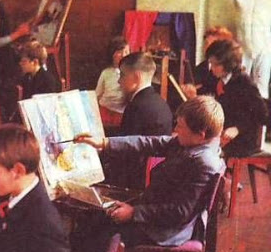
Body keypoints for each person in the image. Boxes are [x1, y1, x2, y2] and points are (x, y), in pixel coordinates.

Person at [75, 95, 226, 252]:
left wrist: (134, 213)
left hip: (170, 227)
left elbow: (179, 212)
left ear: (201, 134)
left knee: (100, 239)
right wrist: (103, 143)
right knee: (91, 223)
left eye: (180, 126)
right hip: (160, 213)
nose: (175, 130)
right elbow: (148, 142)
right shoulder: (193, 144)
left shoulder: (203, 162)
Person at [107, 52, 173, 189]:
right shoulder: (161, 102)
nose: (119, 81)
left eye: (122, 75)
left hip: (136, 182)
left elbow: (126, 149)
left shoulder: (137, 107)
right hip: (155, 178)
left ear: (136, 77)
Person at [204, 39, 268, 157]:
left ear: (227, 64)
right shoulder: (214, 78)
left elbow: (262, 115)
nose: (211, 68)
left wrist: (238, 128)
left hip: (241, 141)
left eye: (215, 64)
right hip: (219, 135)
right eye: (210, 63)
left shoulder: (244, 83)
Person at [230, 0, 271, 98]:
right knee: (240, 85)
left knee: (261, 86)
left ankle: (262, 111)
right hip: (244, 47)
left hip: (264, 47)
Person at [182, 26, 234, 99]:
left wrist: (194, 97)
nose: (207, 48)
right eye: (206, 43)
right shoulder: (199, 69)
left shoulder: (229, 73)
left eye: (212, 44)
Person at [95, 36, 130, 128]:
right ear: (112, 54)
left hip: (122, 114)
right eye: (119, 52)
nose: (123, 55)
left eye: (126, 52)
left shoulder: (131, 73)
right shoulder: (106, 73)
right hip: (105, 110)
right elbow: (97, 94)